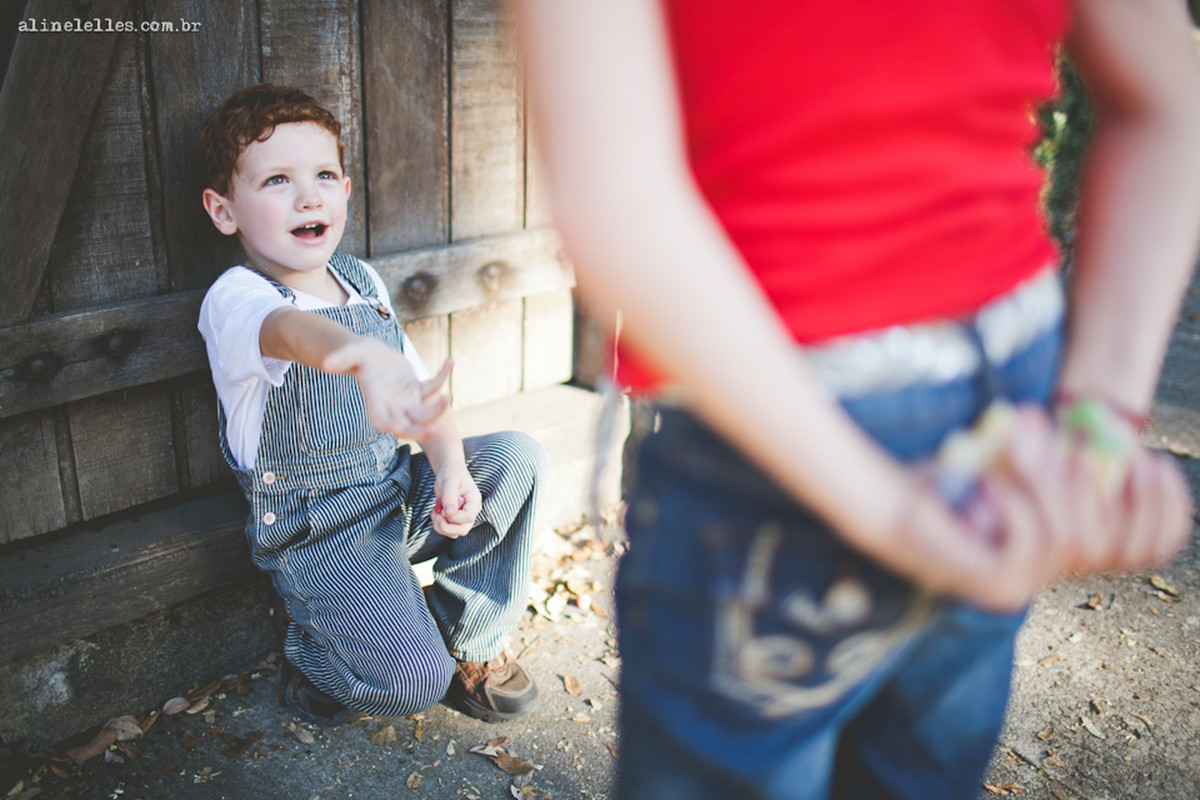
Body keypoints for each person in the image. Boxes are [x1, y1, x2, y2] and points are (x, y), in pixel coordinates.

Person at [517, 1, 1200, 797]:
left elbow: (617, 200)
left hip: (778, 407)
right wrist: (1100, 420)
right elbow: (1169, 99)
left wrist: (898, 516)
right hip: (1011, 392)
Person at [196, 83, 546, 724]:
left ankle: (466, 636)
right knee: (412, 686)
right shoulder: (238, 299)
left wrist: (449, 468)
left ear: (345, 191)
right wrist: (362, 356)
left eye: (324, 175)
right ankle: (310, 648)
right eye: (277, 180)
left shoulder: (361, 282)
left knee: (516, 459)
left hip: (391, 492)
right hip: (318, 532)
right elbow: (291, 333)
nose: (308, 196)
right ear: (224, 211)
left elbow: (422, 398)